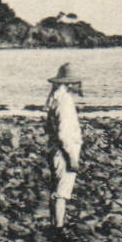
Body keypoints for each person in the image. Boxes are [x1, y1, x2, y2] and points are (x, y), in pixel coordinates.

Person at [44, 62, 84, 230]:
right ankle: (58, 228)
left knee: (56, 188)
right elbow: (64, 133)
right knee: (63, 191)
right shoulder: (65, 102)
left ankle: (55, 224)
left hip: (54, 149)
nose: (79, 85)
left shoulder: (55, 98)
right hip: (64, 150)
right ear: (69, 83)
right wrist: (72, 157)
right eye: (76, 82)